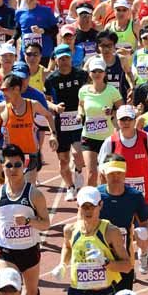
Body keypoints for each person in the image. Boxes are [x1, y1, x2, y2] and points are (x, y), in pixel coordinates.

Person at [0, 144, 50, 295]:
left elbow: (46, 224)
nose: (13, 169)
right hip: (6, 252)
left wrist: (28, 221)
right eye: (9, 165)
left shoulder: (34, 194)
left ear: (24, 164)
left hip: (29, 251)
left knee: (32, 291)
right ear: (2, 167)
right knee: (7, 289)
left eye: (17, 165)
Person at [98, 154, 148, 288]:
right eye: (111, 173)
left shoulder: (135, 196)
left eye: (119, 173)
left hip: (124, 259)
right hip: (100, 258)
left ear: (125, 173)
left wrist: (143, 236)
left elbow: (145, 224)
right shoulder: (96, 196)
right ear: (104, 173)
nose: (115, 177)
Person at [44, 43, 88, 200]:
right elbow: (46, 101)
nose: (64, 61)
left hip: (78, 118)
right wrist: (55, 107)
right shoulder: (51, 79)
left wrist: (82, 108)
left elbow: (89, 93)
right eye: (61, 59)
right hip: (60, 122)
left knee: (77, 153)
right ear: (56, 60)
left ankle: (78, 172)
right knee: (63, 160)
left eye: (66, 58)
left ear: (71, 58)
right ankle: (70, 187)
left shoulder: (81, 75)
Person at [0, 73, 58, 184]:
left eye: (4, 89)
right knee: (11, 189)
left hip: (29, 154)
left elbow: (49, 116)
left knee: (29, 189)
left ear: (16, 89)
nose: (2, 93)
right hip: (10, 156)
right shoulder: (1, 108)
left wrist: (53, 135)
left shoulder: (33, 105)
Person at [78, 56, 123, 186]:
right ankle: (90, 198)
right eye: (94, 71)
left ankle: (104, 198)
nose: (97, 74)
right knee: (91, 174)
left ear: (104, 73)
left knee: (104, 174)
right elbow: (81, 105)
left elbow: (122, 110)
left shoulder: (112, 91)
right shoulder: (83, 91)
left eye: (100, 71)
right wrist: (80, 115)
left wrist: (112, 112)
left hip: (107, 138)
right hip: (89, 137)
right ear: (89, 73)